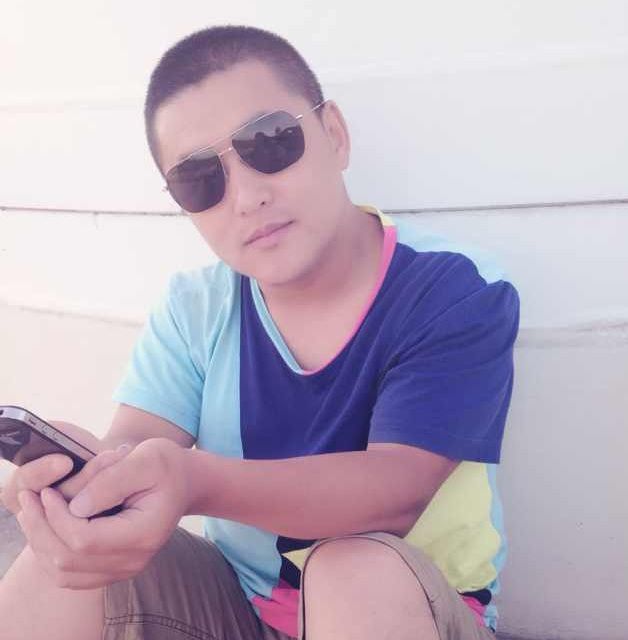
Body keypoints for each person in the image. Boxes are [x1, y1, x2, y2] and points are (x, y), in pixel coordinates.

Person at [0, 24, 520, 640]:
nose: (246, 197)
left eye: (270, 141)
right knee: (59, 571)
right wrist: (84, 485)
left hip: (409, 613)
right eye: (200, 179)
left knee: (353, 570)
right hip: (239, 607)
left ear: (334, 134)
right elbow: (137, 446)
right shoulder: (196, 306)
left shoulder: (453, 290)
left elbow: (396, 491)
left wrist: (191, 480)